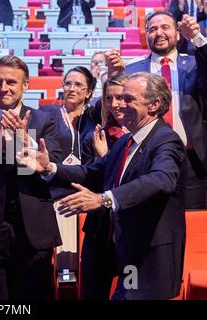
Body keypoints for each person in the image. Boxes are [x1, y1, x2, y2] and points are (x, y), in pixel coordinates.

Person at [18, 72, 186, 300]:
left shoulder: (166, 140)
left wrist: (103, 199)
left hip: (145, 252)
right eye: (117, 98)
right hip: (114, 244)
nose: (119, 105)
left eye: (128, 99)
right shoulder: (128, 140)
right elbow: (94, 172)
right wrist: (50, 168)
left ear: (154, 104)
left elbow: (161, 180)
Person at [0, 55, 63, 299]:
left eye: (11, 82)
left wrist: (28, 142)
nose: (3, 88)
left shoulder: (44, 120)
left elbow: (55, 167)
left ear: (25, 85)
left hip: (35, 229)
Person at [110, 12, 207, 209]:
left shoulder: (195, 64)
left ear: (178, 34)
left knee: (195, 224)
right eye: (152, 29)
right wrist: (112, 77)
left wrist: (197, 38)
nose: (159, 33)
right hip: (147, 158)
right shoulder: (131, 71)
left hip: (192, 160)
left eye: (165, 27)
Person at [40, 66, 98, 271]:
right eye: (68, 83)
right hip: (57, 191)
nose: (72, 88)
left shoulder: (93, 117)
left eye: (79, 85)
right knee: (59, 262)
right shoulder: (48, 113)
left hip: (86, 191)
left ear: (89, 91)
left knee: (81, 260)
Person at [79, 72, 130, 300]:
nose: (115, 104)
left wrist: (107, 157)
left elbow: (137, 183)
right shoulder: (97, 134)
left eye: (121, 98)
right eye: (109, 98)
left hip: (131, 234)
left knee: (131, 292)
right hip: (98, 230)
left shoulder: (146, 137)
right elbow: (90, 179)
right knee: (92, 293)